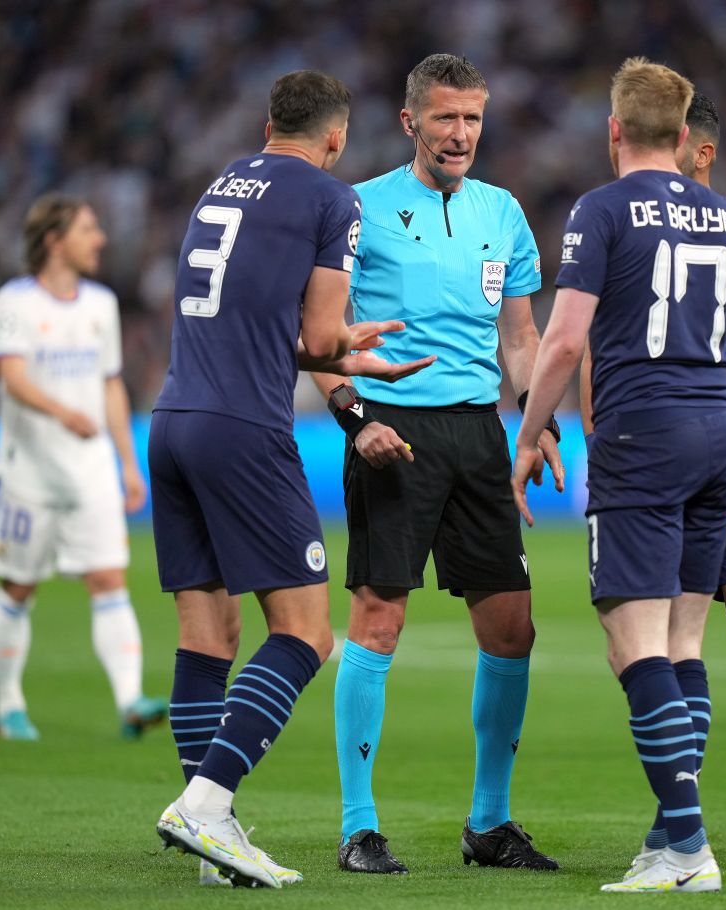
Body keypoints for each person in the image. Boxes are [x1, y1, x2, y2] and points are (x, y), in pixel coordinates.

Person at [150, 70, 433, 889]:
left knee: (208, 637)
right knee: (306, 634)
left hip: (172, 421)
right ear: (336, 137)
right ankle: (206, 805)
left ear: (269, 121)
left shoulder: (222, 183)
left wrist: (338, 348)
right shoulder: (330, 199)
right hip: (243, 426)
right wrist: (359, 350)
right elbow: (316, 339)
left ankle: (212, 836)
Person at [514, 58, 726, 893]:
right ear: (687, 136)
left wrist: (529, 431)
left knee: (633, 647)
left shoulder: (601, 209)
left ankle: (689, 849)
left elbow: (562, 340)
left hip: (640, 436)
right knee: (683, 642)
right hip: (716, 433)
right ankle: (668, 840)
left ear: (615, 131)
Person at [310, 53, 562, 876]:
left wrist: (538, 421)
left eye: (472, 118)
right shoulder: (358, 208)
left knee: (513, 627)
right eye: (446, 118)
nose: (460, 134)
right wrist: (354, 419)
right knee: (378, 620)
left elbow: (519, 336)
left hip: (479, 434)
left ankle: (489, 823)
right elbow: (316, 334)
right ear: (410, 121)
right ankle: (358, 828)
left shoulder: (502, 211)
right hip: (393, 429)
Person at [577, 90, 726, 869]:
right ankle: (677, 827)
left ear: (697, 150)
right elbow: (596, 349)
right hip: (676, 454)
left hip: (724, 460)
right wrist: (597, 435)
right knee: (677, 643)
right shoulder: (641, 225)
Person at [0, 193, 167, 743]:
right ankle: (9, 704)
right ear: (54, 240)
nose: (100, 239)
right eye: (87, 229)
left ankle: (130, 701)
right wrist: (64, 413)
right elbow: (12, 376)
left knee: (108, 578)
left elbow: (111, 385)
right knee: (19, 586)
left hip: (90, 468)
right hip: (28, 470)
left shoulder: (101, 304)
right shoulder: (14, 302)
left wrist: (128, 462)